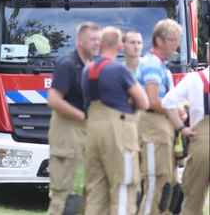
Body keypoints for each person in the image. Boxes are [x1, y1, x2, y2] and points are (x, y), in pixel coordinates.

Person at [82, 26, 149, 214]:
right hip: (118, 130)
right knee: (123, 186)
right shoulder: (120, 70)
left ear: (100, 44)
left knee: (95, 190)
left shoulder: (88, 70)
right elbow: (143, 102)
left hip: (93, 128)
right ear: (120, 46)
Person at [46, 21, 101, 214]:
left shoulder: (92, 65)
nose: (96, 43)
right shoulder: (67, 64)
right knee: (63, 196)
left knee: (85, 195)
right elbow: (53, 99)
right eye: (92, 40)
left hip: (87, 133)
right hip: (67, 131)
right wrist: (82, 116)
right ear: (80, 41)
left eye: (98, 40)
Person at [137, 18, 182, 215]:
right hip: (153, 127)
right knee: (156, 182)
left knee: (166, 183)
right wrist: (176, 113)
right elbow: (153, 100)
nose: (177, 45)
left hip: (160, 127)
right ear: (160, 40)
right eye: (173, 39)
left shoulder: (160, 66)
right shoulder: (153, 65)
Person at [161, 44, 209, 215]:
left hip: (201, 140)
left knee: (192, 200)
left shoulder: (194, 78)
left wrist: (181, 127)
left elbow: (167, 102)